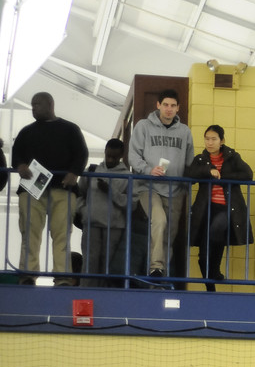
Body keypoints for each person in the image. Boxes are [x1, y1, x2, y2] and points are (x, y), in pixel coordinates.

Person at [11, 92, 89, 285]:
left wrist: (74, 172)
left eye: (37, 104)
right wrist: (20, 166)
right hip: (31, 190)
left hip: (62, 188)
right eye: (32, 104)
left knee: (62, 233)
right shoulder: (26, 132)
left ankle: (62, 275)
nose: (33, 108)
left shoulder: (70, 129)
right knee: (29, 232)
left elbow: (81, 154)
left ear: (50, 104)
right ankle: (28, 274)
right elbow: (16, 155)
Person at [128, 89, 195, 281]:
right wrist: (148, 169)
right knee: (159, 220)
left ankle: (160, 278)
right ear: (158, 105)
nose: (169, 109)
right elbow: (133, 155)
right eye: (165, 105)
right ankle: (155, 267)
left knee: (169, 235)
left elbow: (190, 161)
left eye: (173, 105)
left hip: (176, 189)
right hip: (148, 186)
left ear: (178, 108)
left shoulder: (184, 131)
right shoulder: (143, 126)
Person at [186, 125, 254, 291]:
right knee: (203, 254)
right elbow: (190, 175)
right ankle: (211, 286)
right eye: (207, 139)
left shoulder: (232, 156)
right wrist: (209, 171)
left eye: (214, 139)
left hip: (226, 208)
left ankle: (215, 270)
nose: (210, 142)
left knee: (216, 231)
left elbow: (248, 174)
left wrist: (222, 176)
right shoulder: (200, 159)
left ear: (221, 141)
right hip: (205, 209)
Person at [78, 139, 130, 287]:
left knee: (108, 263)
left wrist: (111, 192)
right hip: (91, 223)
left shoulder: (128, 176)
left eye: (114, 157)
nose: (110, 159)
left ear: (121, 156)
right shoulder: (91, 171)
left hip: (114, 226)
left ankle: (105, 295)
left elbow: (131, 203)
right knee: (90, 261)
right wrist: (83, 210)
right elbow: (79, 193)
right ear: (105, 152)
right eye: (108, 156)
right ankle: (87, 293)